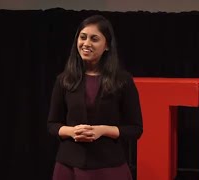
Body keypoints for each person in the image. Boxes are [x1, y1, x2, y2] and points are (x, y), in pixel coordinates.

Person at [47, 14, 143, 180]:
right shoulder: (64, 80)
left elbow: (135, 129)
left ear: (107, 46)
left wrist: (102, 130)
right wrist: (72, 131)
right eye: (82, 37)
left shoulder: (123, 81)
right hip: (68, 165)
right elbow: (52, 124)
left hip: (108, 166)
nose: (86, 43)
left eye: (94, 39)